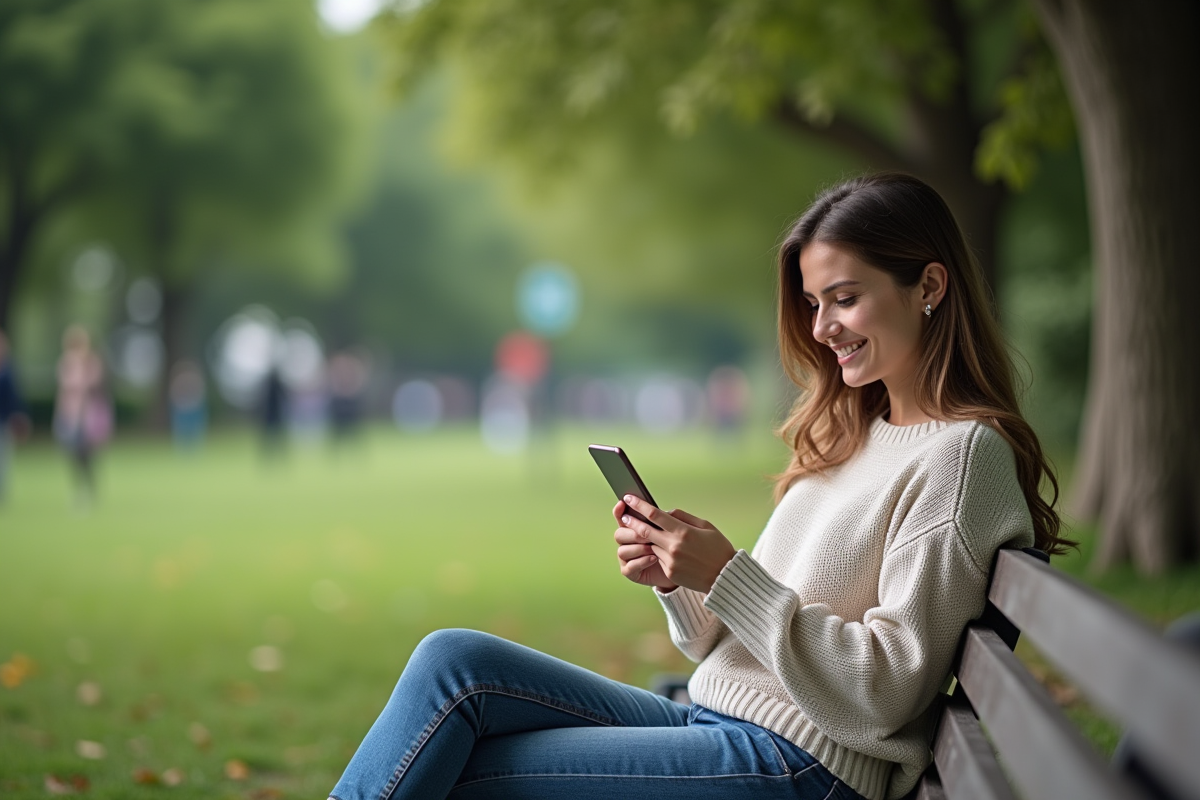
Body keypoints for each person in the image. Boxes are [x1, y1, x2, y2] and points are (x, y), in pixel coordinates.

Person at [328, 173, 1073, 800]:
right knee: (453, 663)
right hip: (722, 720)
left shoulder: (959, 458)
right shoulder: (856, 431)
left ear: (929, 286)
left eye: (844, 298)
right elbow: (735, 640)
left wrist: (726, 575)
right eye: (814, 304)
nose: (822, 328)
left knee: (459, 771)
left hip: (801, 764)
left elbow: (884, 691)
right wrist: (682, 580)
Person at [54, 325, 111, 506]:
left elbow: (94, 386)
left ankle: (90, 490)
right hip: (70, 415)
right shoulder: (65, 363)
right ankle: (79, 490)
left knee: (86, 455)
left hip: (88, 416)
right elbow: (63, 391)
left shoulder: (91, 362)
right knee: (72, 455)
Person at [0, 329, 32, 505]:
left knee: (2, 458)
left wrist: (19, 417)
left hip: (2, 420)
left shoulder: (8, 371)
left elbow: (13, 398)